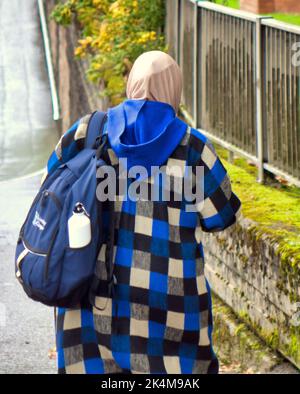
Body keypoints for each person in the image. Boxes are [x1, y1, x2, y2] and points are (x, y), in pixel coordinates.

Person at [48, 50, 241, 374]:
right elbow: (220, 216)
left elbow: (52, 186)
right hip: (171, 312)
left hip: (88, 305)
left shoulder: (89, 133)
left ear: (131, 83)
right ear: (174, 89)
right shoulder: (193, 149)